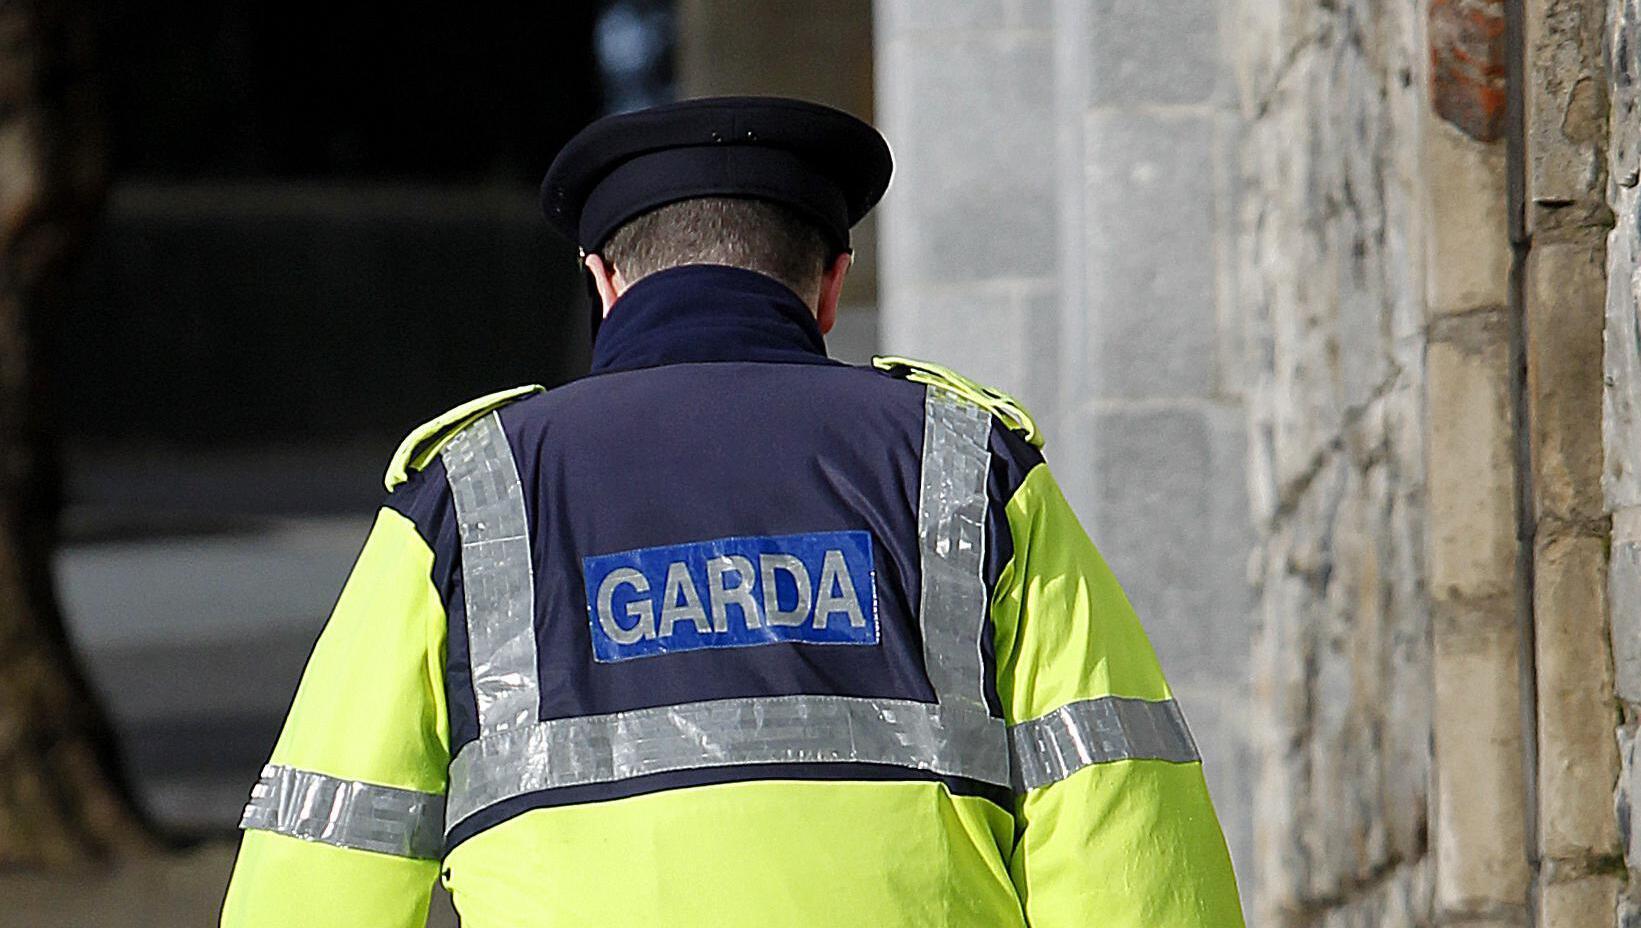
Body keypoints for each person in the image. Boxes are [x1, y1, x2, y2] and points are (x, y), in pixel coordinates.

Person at [219, 96, 1244, 928]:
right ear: (831, 285)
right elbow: (1116, 814)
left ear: (604, 281)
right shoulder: (970, 464)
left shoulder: (467, 492)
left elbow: (326, 854)